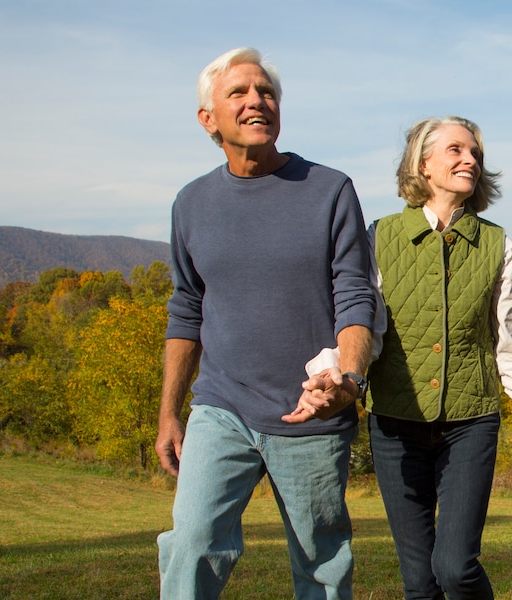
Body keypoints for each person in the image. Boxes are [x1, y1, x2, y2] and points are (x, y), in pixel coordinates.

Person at [155, 47, 375, 600]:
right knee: (192, 544)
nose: (257, 101)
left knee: (321, 562)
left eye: (267, 92)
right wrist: (168, 413)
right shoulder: (192, 203)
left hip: (310, 411)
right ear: (209, 119)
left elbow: (354, 296)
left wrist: (348, 381)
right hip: (220, 408)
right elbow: (186, 308)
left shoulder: (329, 190)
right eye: (239, 93)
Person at [366, 116, 512, 599]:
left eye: (474, 152)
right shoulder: (377, 237)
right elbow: (362, 332)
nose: (470, 159)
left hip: (471, 423)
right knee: (419, 582)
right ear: (423, 163)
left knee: (454, 568)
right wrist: (337, 376)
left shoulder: (498, 244)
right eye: (455, 150)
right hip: (393, 422)